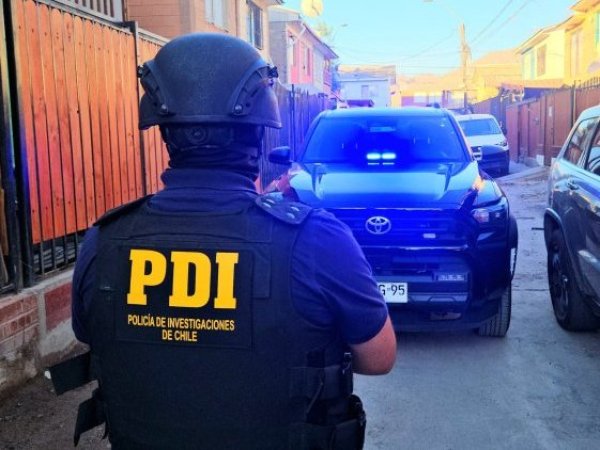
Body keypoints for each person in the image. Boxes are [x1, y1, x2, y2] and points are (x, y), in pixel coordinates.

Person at [55, 33, 396, 449]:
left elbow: (94, 336)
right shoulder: (316, 240)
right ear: (258, 136)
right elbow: (378, 358)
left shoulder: (105, 240)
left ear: (165, 133)